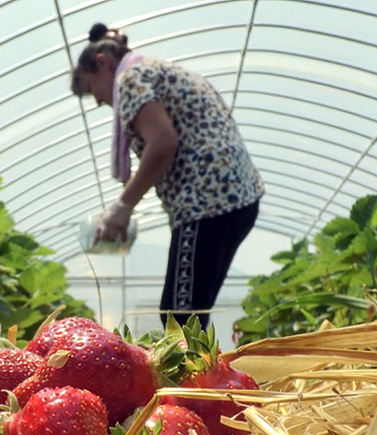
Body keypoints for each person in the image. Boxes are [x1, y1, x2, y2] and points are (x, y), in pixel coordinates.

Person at [71, 23, 264, 328]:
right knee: (188, 311)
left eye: (92, 89)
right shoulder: (156, 69)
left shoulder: (130, 78)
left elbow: (162, 143)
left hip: (206, 201)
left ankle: (195, 377)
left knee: (179, 316)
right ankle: (206, 376)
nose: (99, 101)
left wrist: (121, 209)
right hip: (238, 196)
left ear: (102, 63)